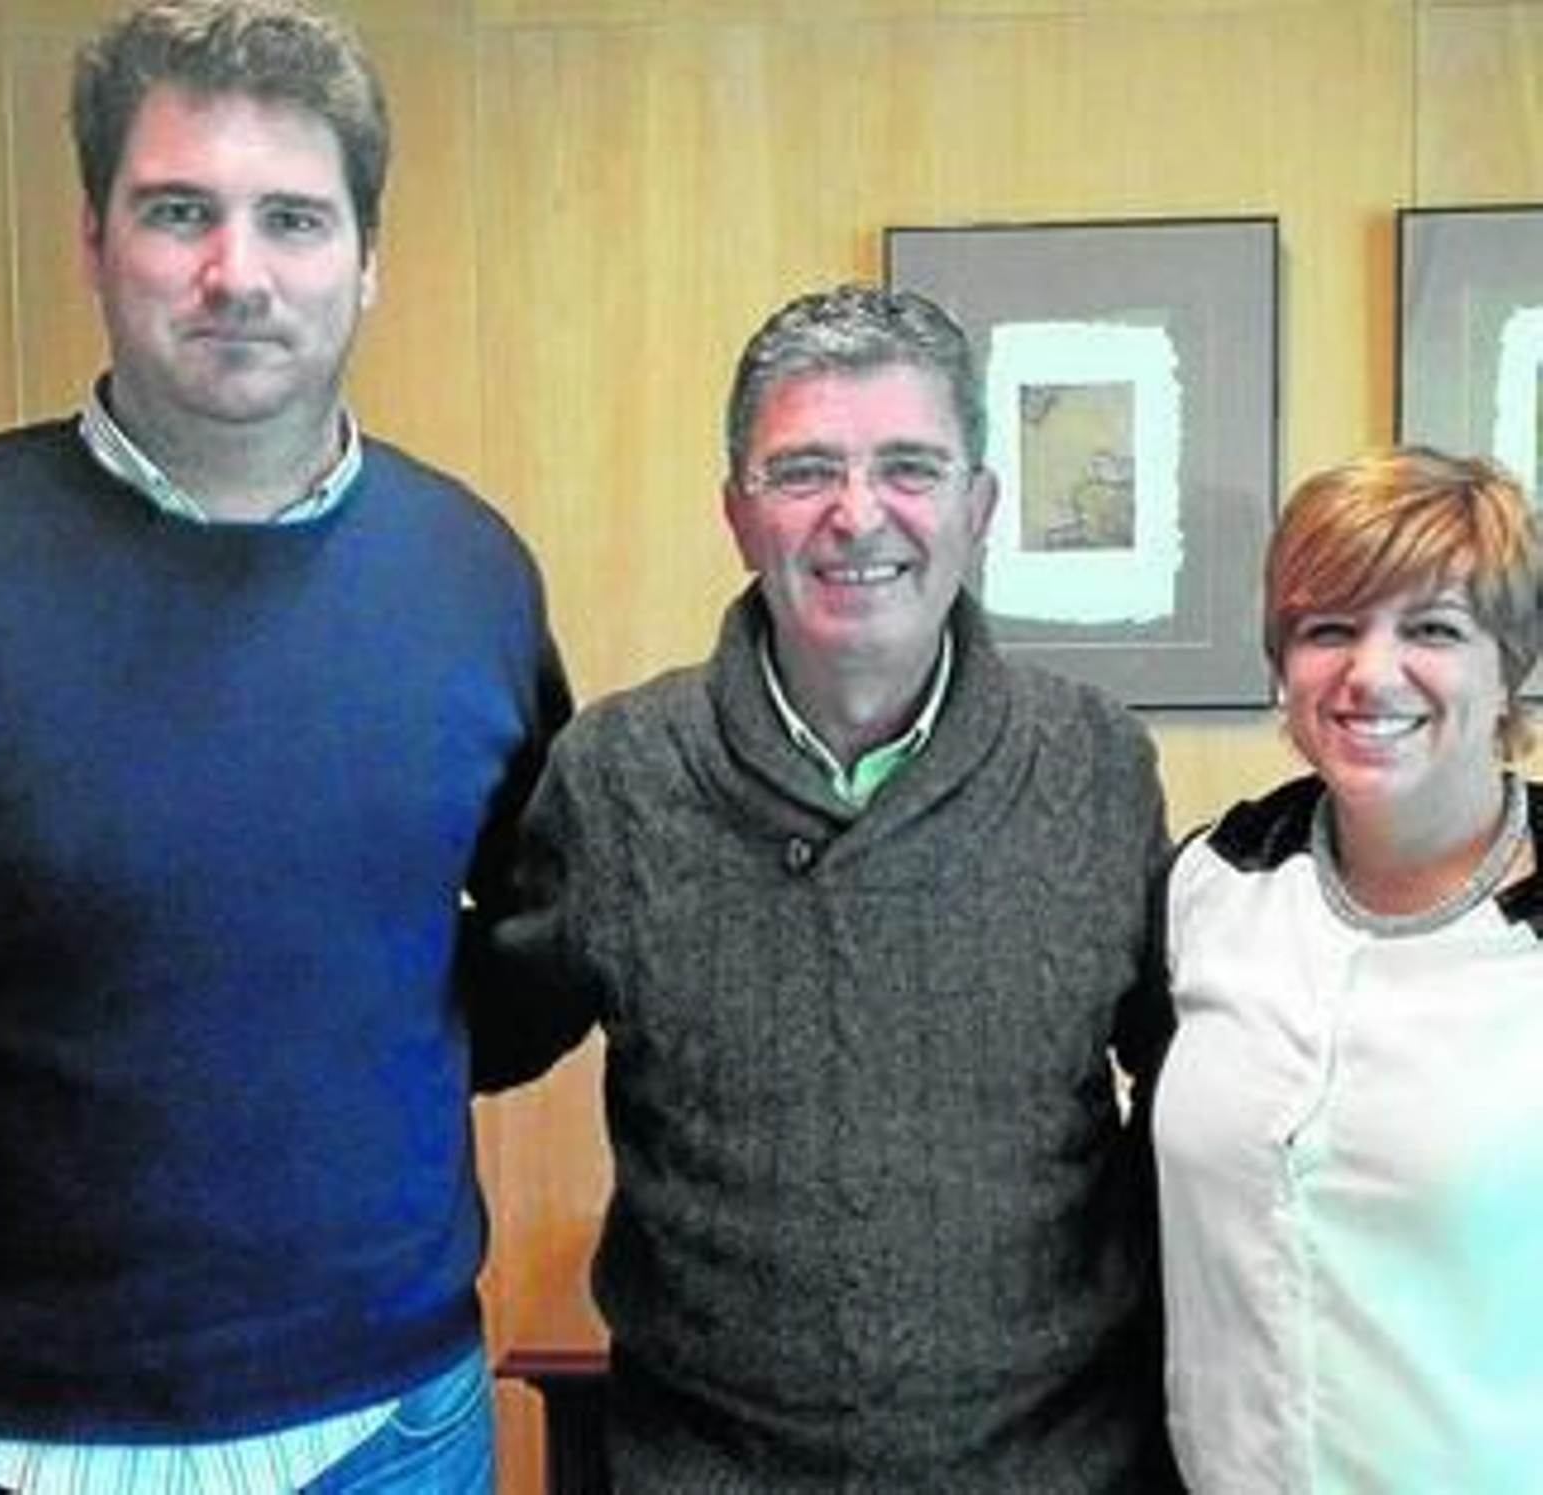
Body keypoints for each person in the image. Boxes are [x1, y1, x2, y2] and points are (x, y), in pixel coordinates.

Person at [0, 2, 569, 1491]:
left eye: (293, 217)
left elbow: (539, 944)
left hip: (388, 1426)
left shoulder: (470, 572)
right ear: (94, 239)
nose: (238, 272)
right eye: (179, 212)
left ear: (367, 258)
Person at [473, 284, 1179, 1491]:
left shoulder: (1094, 765)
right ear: (737, 516)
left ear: (977, 507)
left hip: (1058, 1467)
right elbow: (468, 1030)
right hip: (705, 1473)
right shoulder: (619, 774)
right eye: (803, 472)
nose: (857, 514)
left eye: (909, 466)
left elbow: (1199, 1084)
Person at [1153, 446, 1543, 1492]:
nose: (1371, 673)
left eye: (1433, 629)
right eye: (1328, 628)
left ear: (1508, 664)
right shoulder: (1208, 885)